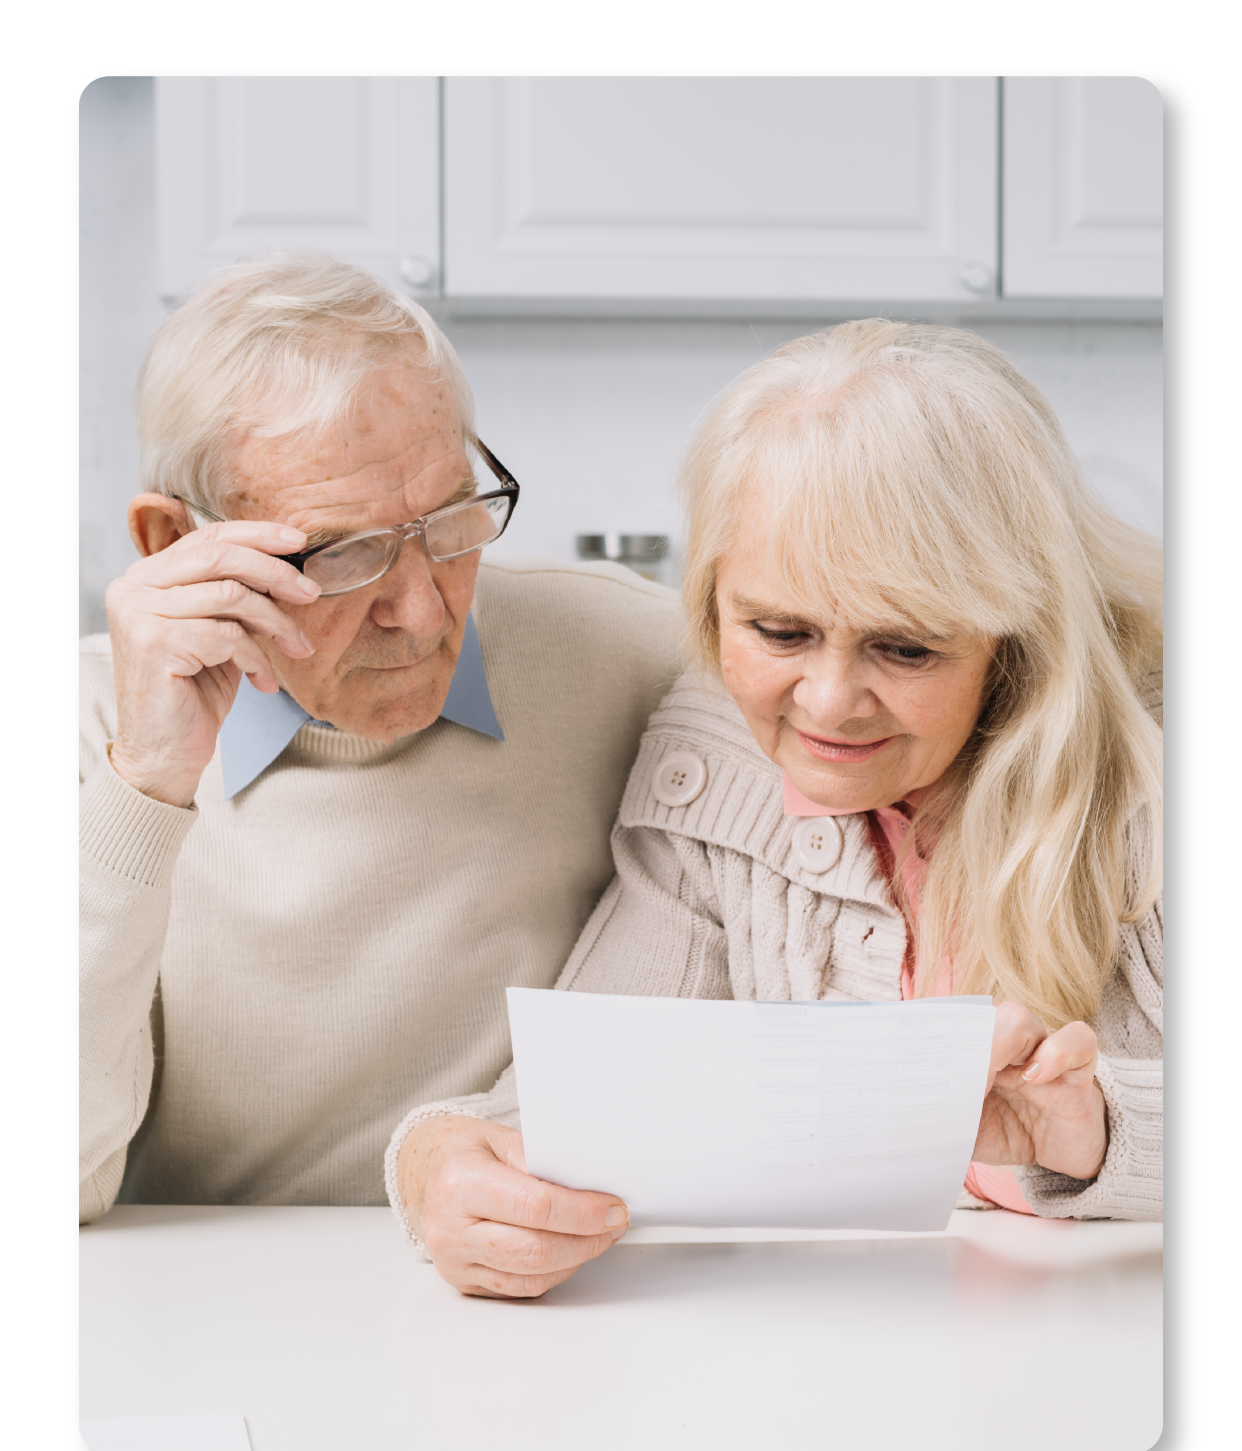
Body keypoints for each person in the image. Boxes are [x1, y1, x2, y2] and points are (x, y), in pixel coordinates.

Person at [392, 321, 1163, 1298]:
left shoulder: (1141, 780)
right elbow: (553, 1114)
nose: (829, 704)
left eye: (908, 647)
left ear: (1014, 637)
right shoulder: (714, 753)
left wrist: (1103, 1129)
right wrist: (434, 1170)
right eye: (780, 630)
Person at [79, 253, 678, 1223]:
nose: (421, 607)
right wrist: (149, 785)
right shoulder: (102, 727)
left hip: (547, 1301)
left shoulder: (640, 656)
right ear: (172, 543)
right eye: (346, 552)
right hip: (215, 1323)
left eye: (450, 519)